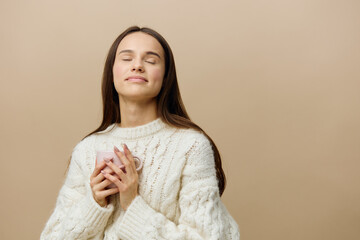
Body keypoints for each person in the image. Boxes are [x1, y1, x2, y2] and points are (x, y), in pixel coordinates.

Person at [40, 26, 240, 240]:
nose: (137, 66)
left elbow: (207, 237)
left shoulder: (191, 146)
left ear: (165, 77)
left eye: (151, 60)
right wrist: (94, 204)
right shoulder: (86, 149)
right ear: (111, 72)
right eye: (126, 59)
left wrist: (133, 204)